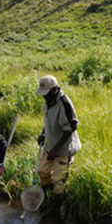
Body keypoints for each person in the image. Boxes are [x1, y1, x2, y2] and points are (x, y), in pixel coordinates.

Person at [35, 75, 81, 203]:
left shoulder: (64, 103)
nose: (44, 96)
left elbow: (72, 126)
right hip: (50, 145)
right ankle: (45, 198)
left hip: (63, 149)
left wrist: (56, 149)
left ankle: (57, 207)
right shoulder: (48, 101)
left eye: (47, 93)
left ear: (55, 89)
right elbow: (48, 120)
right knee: (42, 172)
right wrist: (43, 134)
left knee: (58, 181)